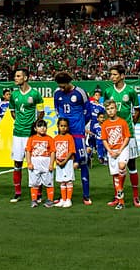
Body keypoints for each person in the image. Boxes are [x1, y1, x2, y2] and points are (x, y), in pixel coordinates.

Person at [102, 66, 140, 207]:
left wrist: (130, 126)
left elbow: (137, 110)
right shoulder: (108, 91)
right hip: (114, 134)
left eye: (115, 74)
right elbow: (106, 109)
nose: (112, 77)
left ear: (122, 75)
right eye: (111, 74)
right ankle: (117, 196)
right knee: (115, 167)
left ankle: (136, 197)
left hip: (128, 134)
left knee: (131, 165)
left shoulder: (130, 91)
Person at [53, 72, 94, 204]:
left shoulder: (80, 92)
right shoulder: (57, 93)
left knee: (82, 162)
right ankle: (63, 196)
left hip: (77, 133)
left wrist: (80, 124)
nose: (61, 89)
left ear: (69, 82)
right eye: (59, 86)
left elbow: (88, 111)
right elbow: (57, 110)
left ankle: (86, 195)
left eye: (63, 86)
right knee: (61, 161)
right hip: (63, 134)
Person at [6, 68, 43, 203]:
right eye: (15, 76)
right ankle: (17, 193)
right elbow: (12, 112)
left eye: (18, 76)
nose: (15, 78)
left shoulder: (35, 94)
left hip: (30, 134)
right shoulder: (14, 95)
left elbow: (41, 112)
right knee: (17, 163)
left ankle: (38, 192)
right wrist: (20, 122)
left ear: (26, 78)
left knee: (34, 163)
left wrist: (34, 126)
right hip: (17, 134)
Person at [98, 99, 132, 209]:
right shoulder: (105, 124)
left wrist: (120, 150)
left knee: (121, 166)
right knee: (115, 175)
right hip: (111, 151)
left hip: (122, 149)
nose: (110, 111)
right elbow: (104, 139)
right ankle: (119, 199)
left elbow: (127, 137)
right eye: (108, 109)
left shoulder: (122, 122)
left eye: (112, 108)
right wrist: (110, 151)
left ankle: (120, 192)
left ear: (116, 109)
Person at [25, 118, 54, 207]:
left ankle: (50, 200)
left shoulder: (49, 139)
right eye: (40, 126)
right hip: (35, 163)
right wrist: (29, 163)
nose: (43, 128)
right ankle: (34, 200)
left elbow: (53, 152)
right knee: (34, 182)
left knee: (49, 182)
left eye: (44, 126)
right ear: (35, 129)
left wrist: (51, 164)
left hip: (46, 162)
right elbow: (28, 151)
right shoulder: (31, 138)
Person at [52, 117, 77, 207]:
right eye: (61, 126)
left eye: (65, 126)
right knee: (62, 181)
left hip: (68, 162)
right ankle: (63, 199)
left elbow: (71, 150)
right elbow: (53, 151)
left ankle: (68, 199)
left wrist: (65, 161)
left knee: (68, 181)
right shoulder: (55, 138)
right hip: (59, 163)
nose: (63, 128)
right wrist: (56, 161)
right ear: (58, 126)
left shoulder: (69, 137)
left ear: (68, 127)